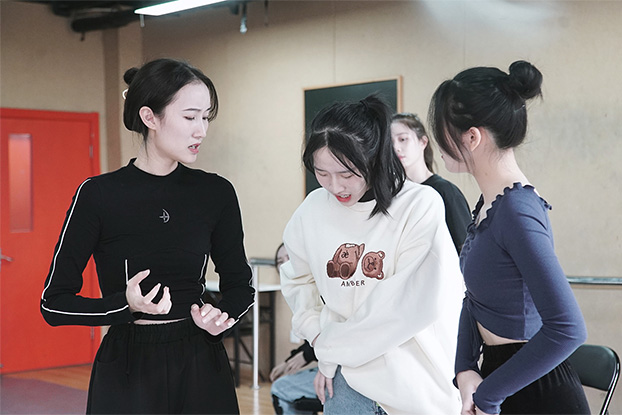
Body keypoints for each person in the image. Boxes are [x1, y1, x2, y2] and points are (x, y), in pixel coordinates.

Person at [40, 58, 255, 414]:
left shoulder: (215, 193)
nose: (201, 131)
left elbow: (240, 286)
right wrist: (124, 306)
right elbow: (53, 303)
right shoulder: (98, 195)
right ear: (150, 118)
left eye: (206, 117)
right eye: (190, 117)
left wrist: (221, 317)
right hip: (127, 367)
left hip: (201, 363)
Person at [280, 94, 464, 414]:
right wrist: (317, 334)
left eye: (347, 174)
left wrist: (330, 346)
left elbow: (406, 306)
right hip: (345, 382)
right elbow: (297, 279)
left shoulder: (419, 204)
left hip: (415, 383)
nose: (335, 186)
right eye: (322, 173)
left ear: (374, 157)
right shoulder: (311, 210)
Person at [428, 60, 590, 415]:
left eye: (442, 132)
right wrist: (465, 368)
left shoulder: (517, 210)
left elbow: (568, 329)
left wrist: (489, 394)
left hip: (534, 389)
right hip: (500, 375)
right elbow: (474, 298)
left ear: (472, 137)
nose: (437, 143)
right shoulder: (490, 204)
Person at [391, 112, 471, 253]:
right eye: (389, 143)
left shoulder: (446, 191)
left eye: (403, 139)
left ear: (423, 142)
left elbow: (465, 248)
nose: (396, 147)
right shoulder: (394, 194)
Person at [270, 243, 320, 415]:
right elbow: (312, 341)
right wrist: (289, 362)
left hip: (347, 374)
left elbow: (331, 337)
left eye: (289, 258)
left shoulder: (322, 289)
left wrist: (305, 356)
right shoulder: (302, 294)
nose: (285, 264)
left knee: (280, 389)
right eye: (280, 261)